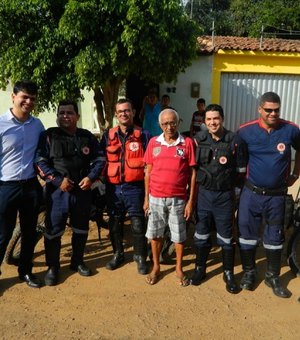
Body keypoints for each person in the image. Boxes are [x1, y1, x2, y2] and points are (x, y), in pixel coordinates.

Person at [237, 91, 300, 298]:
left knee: (275, 237)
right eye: (268, 110)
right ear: (260, 109)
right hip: (251, 193)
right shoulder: (245, 132)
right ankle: (249, 272)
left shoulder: (290, 130)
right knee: (247, 235)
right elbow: (239, 158)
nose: (273, 114)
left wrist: (295, 173)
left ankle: (272, 276)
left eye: (276, 110)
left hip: (277, 196)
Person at [34, 100, 102, 286]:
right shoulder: (49, 135)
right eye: (62, 112)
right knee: (53, 231)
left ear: (77, 116)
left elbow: (99, 159)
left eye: (70, 113)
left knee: (81, 228)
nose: (65, 116)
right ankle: (53, 267)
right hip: (57, 193)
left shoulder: (87, 136)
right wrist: (57, 180)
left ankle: (77, 261)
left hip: (82, 191)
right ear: (57, 116)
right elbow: (40, 161)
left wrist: (91, 177)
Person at [190, 104, 246, 294]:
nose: (213, 122)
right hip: (204, 195)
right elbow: (193, 169)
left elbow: (240, 172)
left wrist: (235, 197)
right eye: (209, 119)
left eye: (216, 118)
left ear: (222, 119)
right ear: (204, 121)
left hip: (225, 197)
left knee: (226, 237)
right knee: (201, 234)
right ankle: (200, 269)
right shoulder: (198, 140)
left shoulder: (234, 140)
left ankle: (228, 274)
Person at [143, 108, 196, 286]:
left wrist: (190, 201)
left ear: (178, 123)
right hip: (155, 197)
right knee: (155, 235)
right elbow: (147, 174)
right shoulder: (152, 143)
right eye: (165, 123)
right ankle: (156, 267)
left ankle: (179, 269)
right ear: (160, 125)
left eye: (172, 122)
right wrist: (146, 199)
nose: (169, 126)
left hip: (178, 198)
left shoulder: (187, 143)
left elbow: (192, 174)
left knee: (179, 236)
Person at [0, 80, 44, 288]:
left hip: (30, 187)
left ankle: (25, 271)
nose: (28, 101)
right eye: (24, 97)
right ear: (14, 97)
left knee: (29, 232)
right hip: (6, 187)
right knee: (3, 233)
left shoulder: (37, 125)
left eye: (32, 98)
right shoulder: (1, 124)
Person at [99, 98, 151, 275]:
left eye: (127, 111)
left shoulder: (144, 134)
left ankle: (140, 256)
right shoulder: (108, 135)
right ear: (116, 114)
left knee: (137, 224)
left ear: (133, 112)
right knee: (114, 223)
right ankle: (118, 254)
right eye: (120, 111)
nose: (124, 114)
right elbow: (101, 160)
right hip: (113, 188)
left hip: (134, 187)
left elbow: (150, 164)